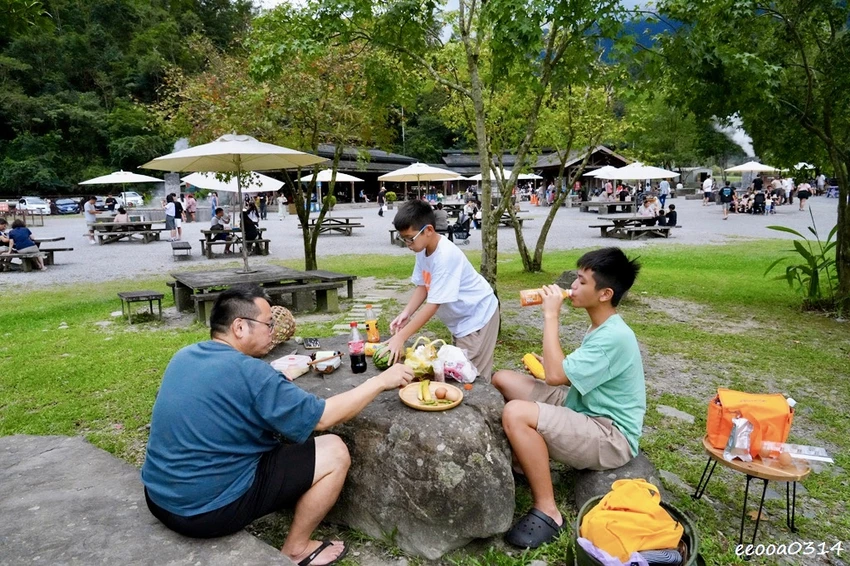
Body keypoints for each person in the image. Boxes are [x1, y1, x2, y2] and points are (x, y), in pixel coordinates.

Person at [141, 285, 413, 565]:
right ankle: (297, 548)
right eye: (268, 324)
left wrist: (272, 387)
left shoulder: (184, 355)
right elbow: (324, 417)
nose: (273, 330)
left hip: (159, 498)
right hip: (205, 513)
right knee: (334, 450)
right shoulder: (253, 373)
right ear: (239, 327)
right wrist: (380, 381)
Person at [492, 248, 644, 549]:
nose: (572, 287)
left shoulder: (615, 336)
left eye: (581, 282)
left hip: (610, 433)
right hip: (582, 404)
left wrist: (550, 315)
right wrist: (550, 363)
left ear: (605, 294)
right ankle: (527, 460)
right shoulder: (604, 324)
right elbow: (568, 371)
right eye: (575, 278)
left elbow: (554, 376)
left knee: (515, 413)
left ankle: (548, 510)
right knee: (503, 379)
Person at [386, 200, 500, 381]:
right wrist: (406, 313)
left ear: (429, 230)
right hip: (462, 319)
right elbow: (423, 286)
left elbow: (433, 305)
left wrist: (401, 337)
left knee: (470, 376)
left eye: (410, 238)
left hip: (477, 316)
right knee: (460, 370)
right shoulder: (423, 250)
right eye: (403, 238)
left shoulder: (445, 256)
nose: (407, 243)